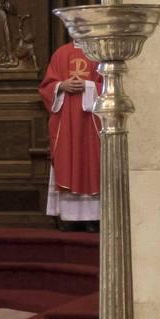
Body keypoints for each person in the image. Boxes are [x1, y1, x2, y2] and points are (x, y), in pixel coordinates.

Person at [40, 40, 101, 231]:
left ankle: (94, 218)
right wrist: (61, 86)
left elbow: (109, 85)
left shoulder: (100, 52)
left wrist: (89, 86)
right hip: (65, 121)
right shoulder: (60, 53)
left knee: (91, 163)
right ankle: (69, 217)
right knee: (67, 161)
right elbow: (46, 87)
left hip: (91, 122)